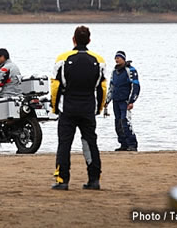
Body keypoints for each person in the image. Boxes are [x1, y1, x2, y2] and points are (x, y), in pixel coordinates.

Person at [51, 26, 107, 191]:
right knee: (90, 143)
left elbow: (55, 86)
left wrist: (54, 107)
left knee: (64, 144)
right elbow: (102, 87)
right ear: (89, 40)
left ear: (73, 40)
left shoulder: (62, 58)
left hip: (67, 108)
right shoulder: (99, 60)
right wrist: (99, 108)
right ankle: (94, 179)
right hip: (88, 107)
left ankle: (63, 180)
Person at [105, 51, 140, 151]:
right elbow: (111, 87)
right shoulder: (114, 72)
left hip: (125, 101)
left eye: (119, 58)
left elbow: (135, 86)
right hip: (116, 100)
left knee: (126, 122)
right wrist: (107, 101)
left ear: (123, 58)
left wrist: (132, 101)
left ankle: (132, 144)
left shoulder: (130, 70)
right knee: (118, 122)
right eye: (115, 58)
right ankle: (123, 144)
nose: (117, 60)